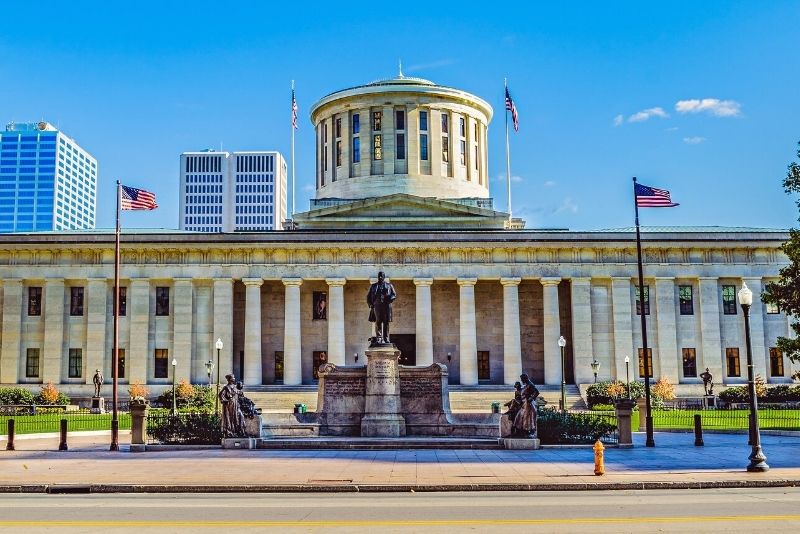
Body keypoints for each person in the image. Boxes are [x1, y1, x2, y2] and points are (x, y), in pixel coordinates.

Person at [366, 271, 397, 344]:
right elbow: (368, 297)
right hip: (377, 305)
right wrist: (370, 304)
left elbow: (394, 295)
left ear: (384, 277)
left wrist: (390, 298)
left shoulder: (389, 285)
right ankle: (378, 338)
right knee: (378, 321)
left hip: (386, 305)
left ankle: (386, 338)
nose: (380, 277)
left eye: (381, 276)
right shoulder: (373, 286)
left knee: (386, 322)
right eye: (379, 276)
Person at [513, 373, 540, 438]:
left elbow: (536, 392)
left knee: (526, 418)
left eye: (522, 379)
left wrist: (530, 399)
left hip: (528, 405)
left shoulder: (530, 385)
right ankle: (521, 431)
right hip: (524, 404)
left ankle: (527, 432)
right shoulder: (526, 385)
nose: (521, 381)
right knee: (519, 417)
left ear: (525, 378)